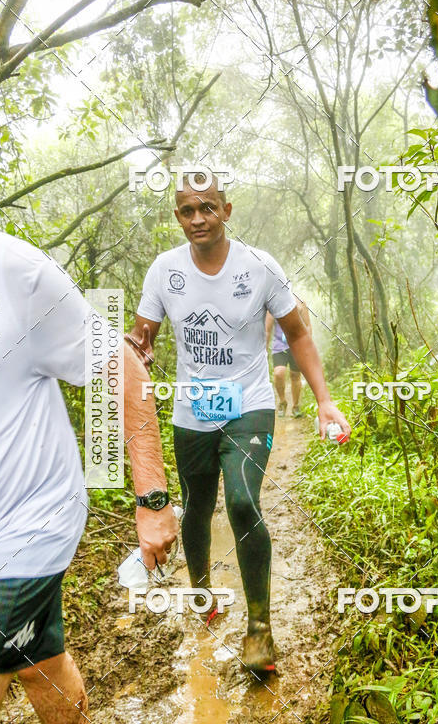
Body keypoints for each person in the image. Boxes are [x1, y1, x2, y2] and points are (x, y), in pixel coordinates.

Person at [0, 228, 179, 724]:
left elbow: (120, 365)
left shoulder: (13, 271)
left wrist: (152, 500)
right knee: (36, 655)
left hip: (27, 523)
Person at [128, 173, 351, 673]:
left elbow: (297, 333)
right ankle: (202, 594)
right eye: (188, 211)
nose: (198, 219)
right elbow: (142, 341)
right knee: (197, 507)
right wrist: (133, 353)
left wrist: (324, 401)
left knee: (243, 500)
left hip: (249, 404)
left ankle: (259, 631)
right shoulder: (164, 271)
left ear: (226, 211)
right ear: (178, 217)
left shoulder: (259, 266)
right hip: (192, 411)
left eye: (208, 208)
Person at [266, 300, 311, 417]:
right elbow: (267, 329)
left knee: (295, 375)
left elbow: (307, 326)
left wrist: (307, 346)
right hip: (279, 347)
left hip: (297, 346)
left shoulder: (301, 303)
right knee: (278, 373)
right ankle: (282, 402)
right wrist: (264, 349)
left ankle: (296, 406)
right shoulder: (273, 303)